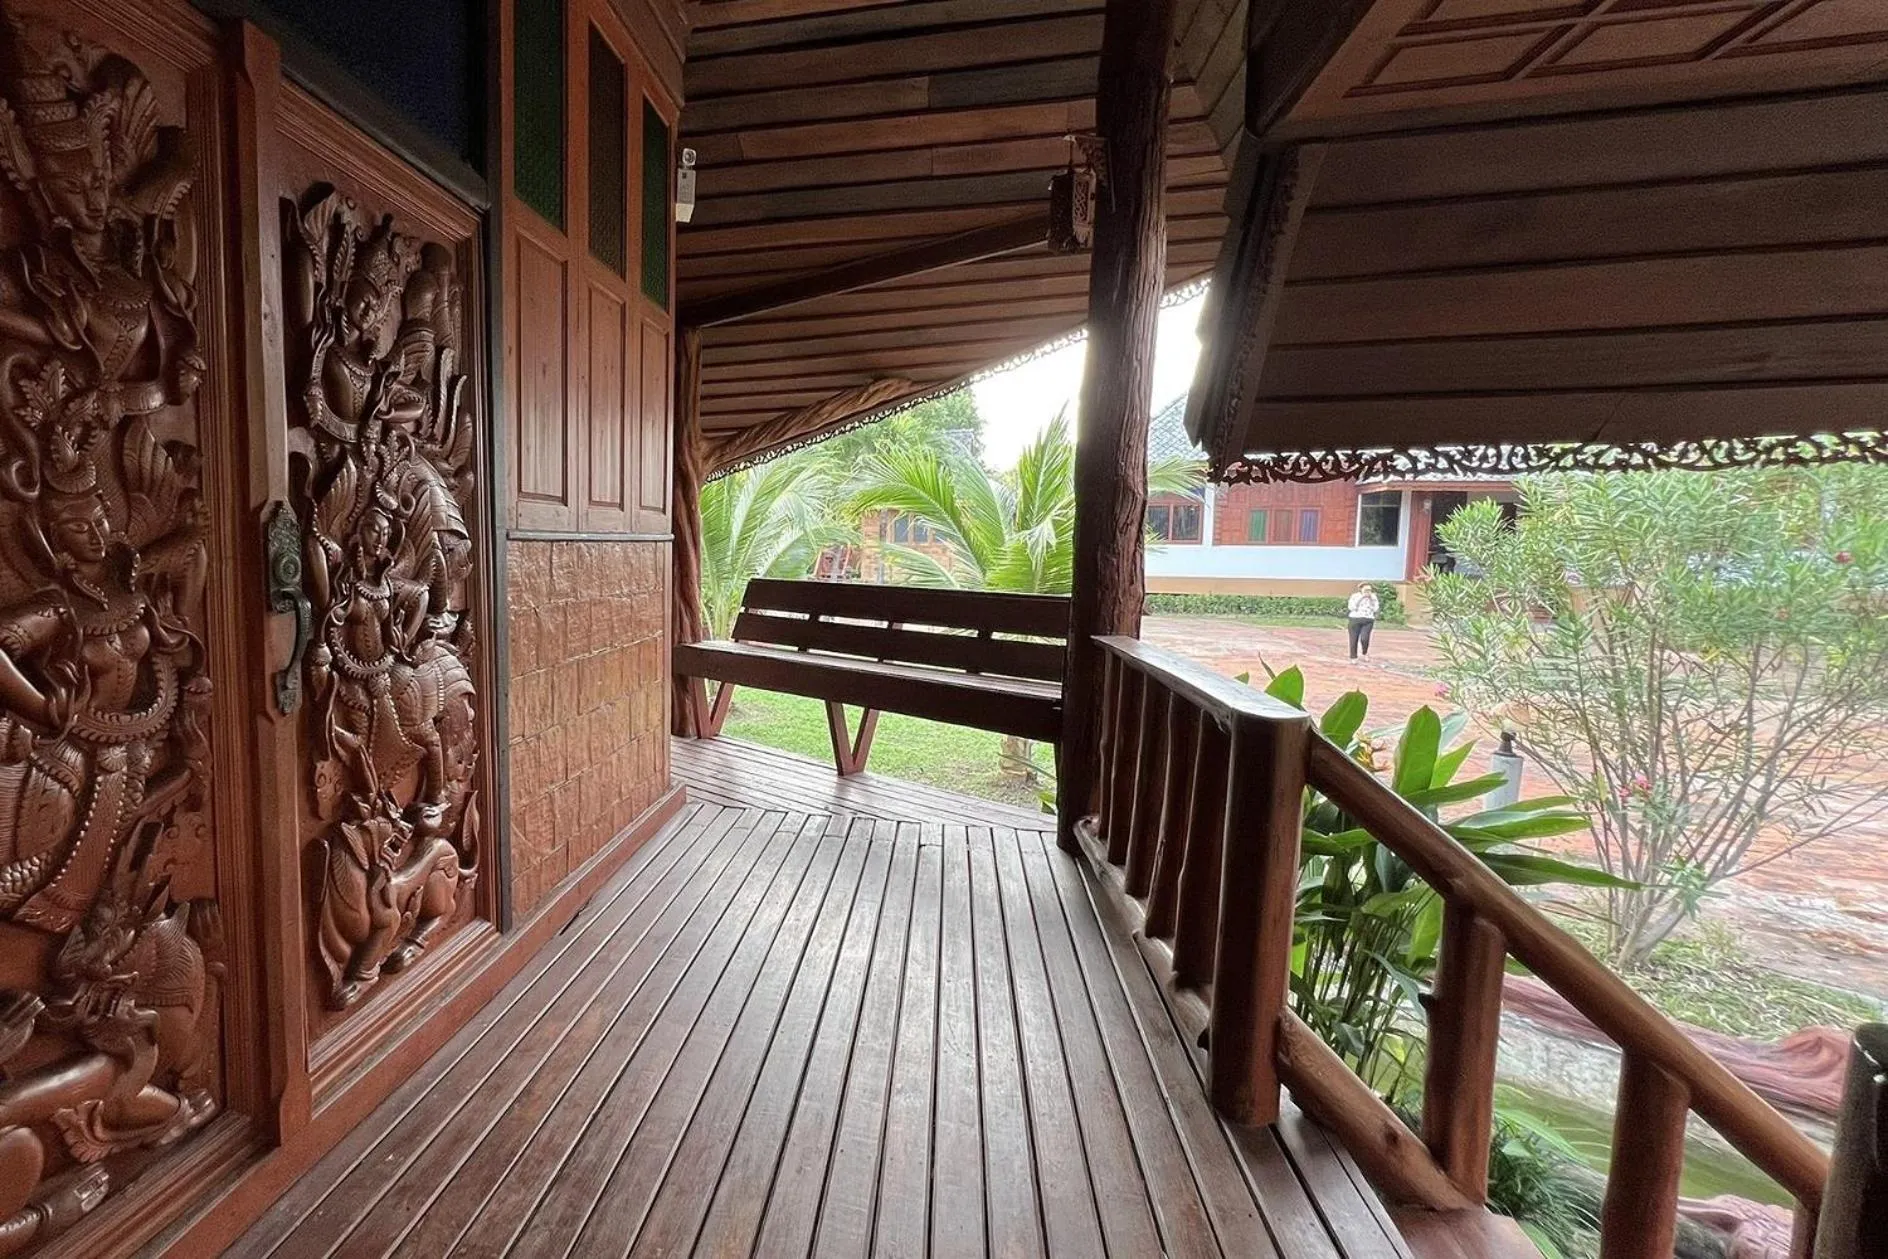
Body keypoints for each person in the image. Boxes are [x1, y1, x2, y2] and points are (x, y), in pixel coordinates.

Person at [1347, 583, 1380, 660]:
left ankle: (1365, 652)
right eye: (1366, 590)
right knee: (1353, 639)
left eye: (1370, 590)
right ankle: (1353, 657)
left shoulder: (1373, 597)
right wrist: (1361, 597)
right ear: (1361, 589)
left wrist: (1371, 599)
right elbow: (1352, 607)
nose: (1368, 592)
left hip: (1368, 619)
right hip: (1355, 619)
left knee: (1365, 638)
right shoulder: (1355, 596)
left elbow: (1375, 609)